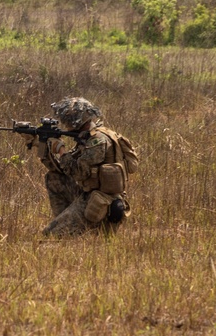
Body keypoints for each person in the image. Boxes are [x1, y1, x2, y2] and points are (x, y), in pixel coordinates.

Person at [29, 97, 138, 237]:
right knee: (54, 178)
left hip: (100, 203)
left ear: (77, 119)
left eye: (67, 119)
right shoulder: (86, 137)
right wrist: (38, 144)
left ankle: (78, 226)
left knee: (49, 235)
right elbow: (62, 170)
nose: (64, 123)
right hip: (88, 193)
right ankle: (65, 221)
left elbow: (78, 173)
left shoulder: (98, 141)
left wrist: (61, 150)